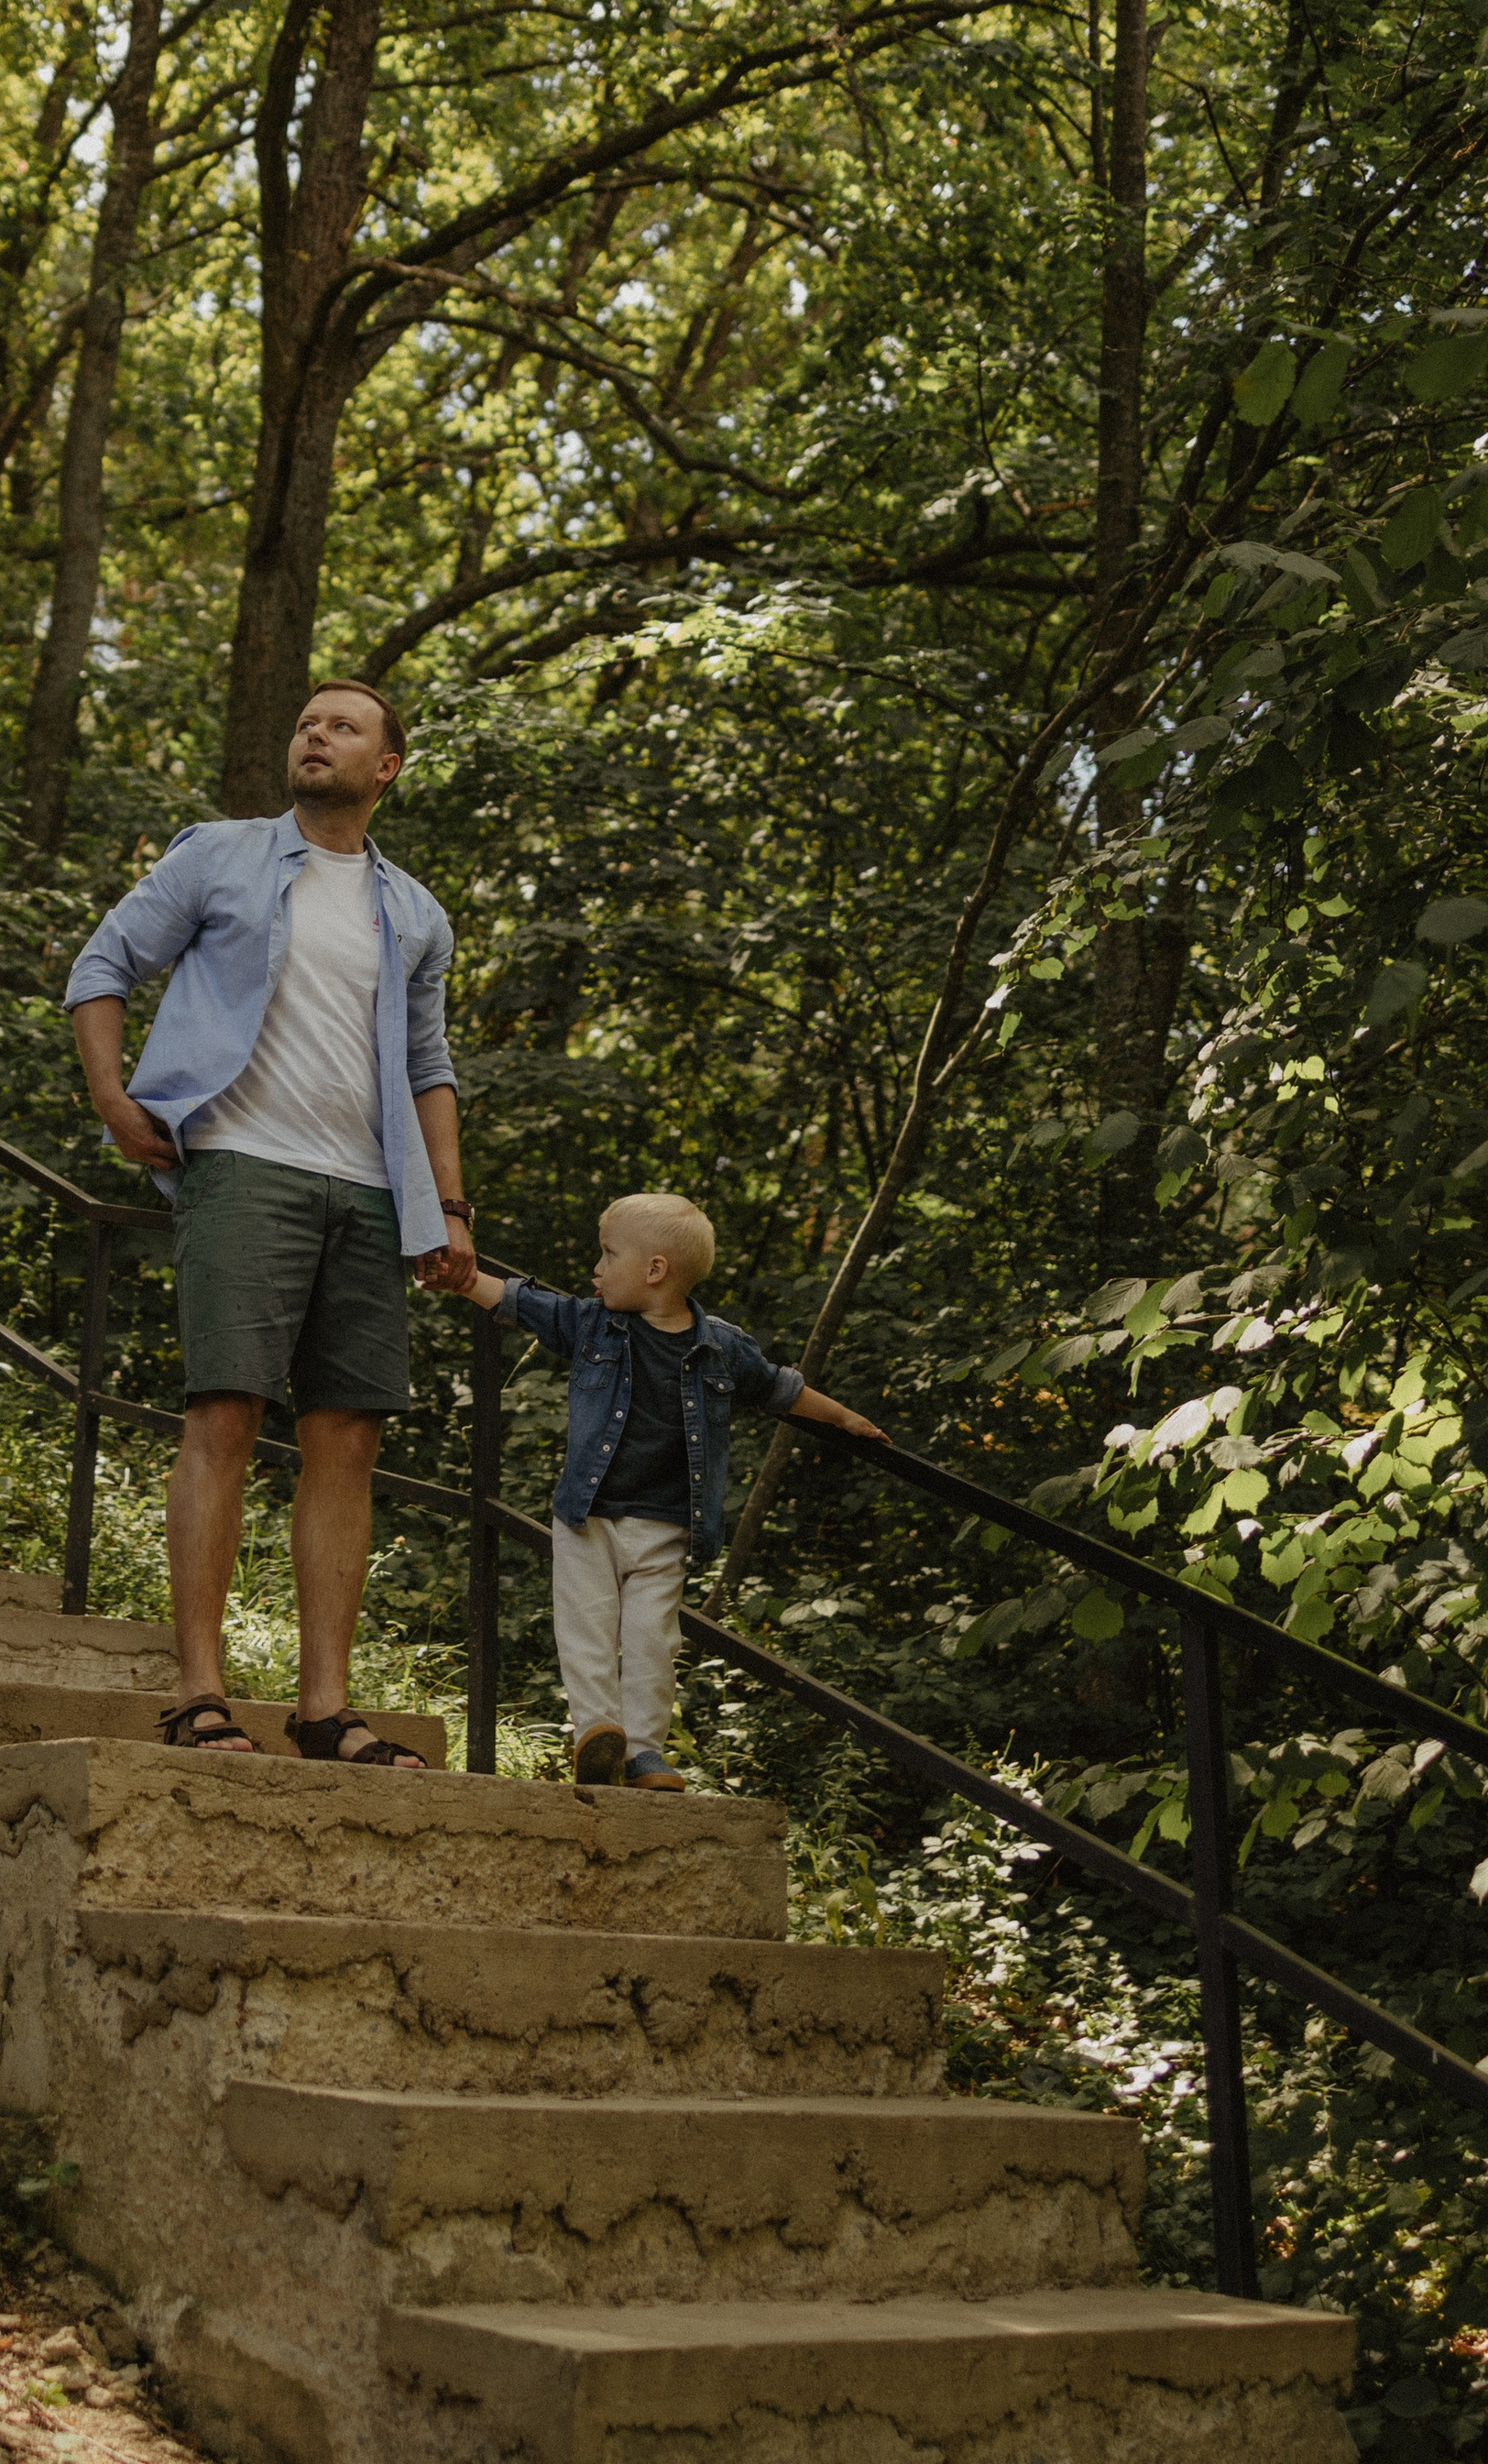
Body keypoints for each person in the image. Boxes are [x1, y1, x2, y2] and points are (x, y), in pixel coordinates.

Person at [65, 681, 476, 1766]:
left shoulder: (415, 912)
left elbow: (428, 1066)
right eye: (305, 721)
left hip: (374, 1190)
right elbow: (101, 967)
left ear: (386, 767)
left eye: (343, 727)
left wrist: (449, 1203)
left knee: (346, 1437)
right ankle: (199, 1695)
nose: (315, 734)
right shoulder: (221, 854)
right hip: (243, 1167)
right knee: (226, 1417)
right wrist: (114, 1099)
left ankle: (324, 1711)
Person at [451, 1191, 886, 1789]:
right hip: (588, 1520)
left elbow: (779, 1389)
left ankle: (644, 1753)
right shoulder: (591, 1322)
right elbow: (522, 1303)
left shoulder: (722, 1346)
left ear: (655, 1270)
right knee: (586, 1629)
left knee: (654, 1640)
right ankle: (598, 1735)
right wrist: (462, 1276)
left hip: (666, 1526)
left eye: (608, 1255)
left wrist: (842, 1419)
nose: (596, 1270)